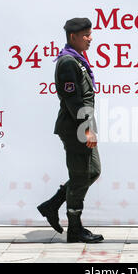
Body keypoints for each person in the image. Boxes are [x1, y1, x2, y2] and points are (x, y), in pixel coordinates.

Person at [37, 18, 103, 243]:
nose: (90, 38)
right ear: (73, 37)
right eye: (86, 34)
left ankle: (52, 204)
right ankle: (75, 228)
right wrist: (85, 129)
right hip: (75, 127)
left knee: (92, 171)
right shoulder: (67, 62)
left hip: (82, 125)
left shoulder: (78, 59)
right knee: (79, 176)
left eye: (90, 33)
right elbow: (72, 100)